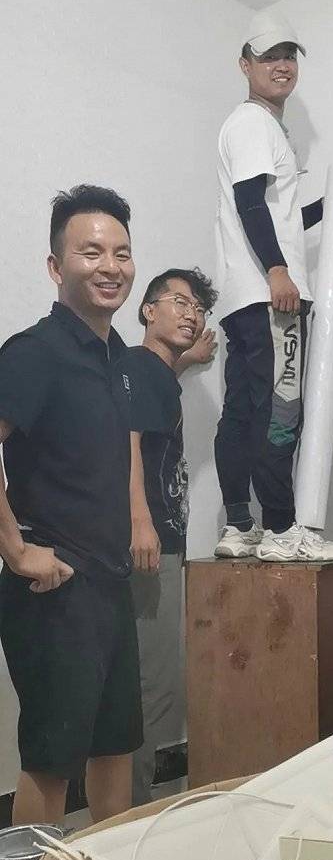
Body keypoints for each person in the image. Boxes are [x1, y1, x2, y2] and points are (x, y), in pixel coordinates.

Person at [0, 185, 142, 824]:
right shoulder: (35, 353)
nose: (110, 266)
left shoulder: (117, 359)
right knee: (52, 760)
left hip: (110, 582)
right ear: (56, 267)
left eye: (121, 253)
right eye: (91, 253)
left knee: (115, 748)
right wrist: (16, 550)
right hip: (54, 589)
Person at [214, 8, 333, 563]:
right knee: (281, 409)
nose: (282, 65)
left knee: (244, 412)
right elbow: (250, 201)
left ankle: (239, 526)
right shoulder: (254, 123)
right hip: (270, 295)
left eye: (289, 55)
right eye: (269, 56)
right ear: (244, 64)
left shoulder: (253, 127)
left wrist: (331, 205)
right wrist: (277, 270)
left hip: (245, 296)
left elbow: (275, 212)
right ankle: (280, 529)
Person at [123, 268, 217, 806]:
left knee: (150, 679)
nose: (191, 315)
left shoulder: (154, 372)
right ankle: (132, 809)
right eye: (179, 302)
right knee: (152, 685)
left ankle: (128, 802)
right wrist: (141, 520)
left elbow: (153, 392)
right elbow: (128, 438)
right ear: (148, 310)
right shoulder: (139, 366)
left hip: (161, 542)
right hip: (149, 543)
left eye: (198, 309)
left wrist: (187, 359)